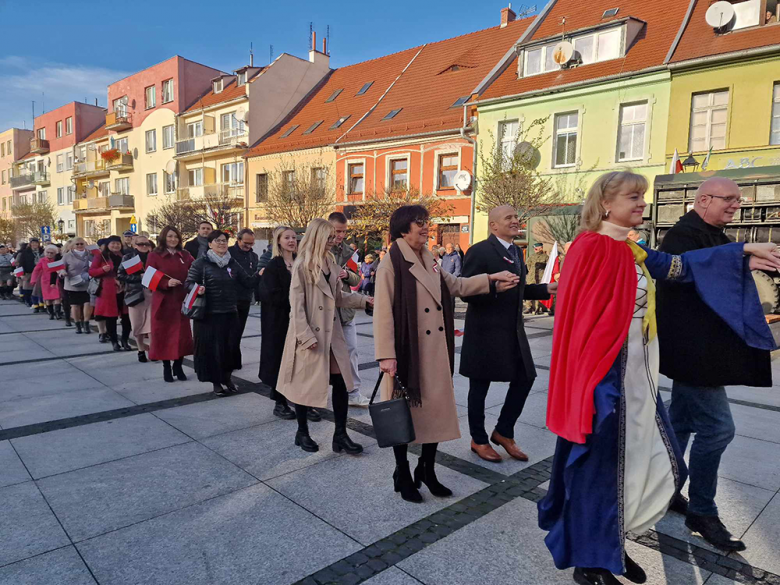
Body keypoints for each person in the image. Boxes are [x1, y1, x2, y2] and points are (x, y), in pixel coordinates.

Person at [537, 171, 779, 585]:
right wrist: (596, 388)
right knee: (599, 471)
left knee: (636, 466)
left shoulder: (629, 247)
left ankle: (611, 544)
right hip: (604, 381)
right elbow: (579, 326)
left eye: (642, 197)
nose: (641, 204)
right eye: (632, 197)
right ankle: (591, 563)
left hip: (633, 379)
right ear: (605, 203)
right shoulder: (592, 248)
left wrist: (742, 252)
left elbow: (680, 267)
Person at [657, 177, 773, 551]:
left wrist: (746, 259)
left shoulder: (715, 235)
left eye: (738, 200)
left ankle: (665, 487)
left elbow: (721, 274)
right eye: (730, 199)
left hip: (703, 353)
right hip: (694, 355)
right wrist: (740, 252)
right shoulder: (681, 235)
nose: (735, 206)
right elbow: (686, 270)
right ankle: (702, 510)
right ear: (704, 199)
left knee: (681, 424)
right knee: (719, 429)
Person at [374, 205, 519, 503]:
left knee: (436, 414)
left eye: (426, 222)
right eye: (420, 223)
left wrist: (491, 280)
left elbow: (456, 286)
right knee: (402, 416)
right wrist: (386, 355)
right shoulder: (392, 262)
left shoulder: (430, 258)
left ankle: (426, 469)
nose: (426, 228)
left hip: (435, 351)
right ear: (404, 228)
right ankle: (402, 472)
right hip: (407, 353)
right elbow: (383, 313)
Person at [460, 205, 556, 463]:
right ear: (493, 225)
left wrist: (548, 288)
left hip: (512, 332)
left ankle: (503, 431)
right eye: (509, 218)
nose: (516, 221)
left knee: (526, 378)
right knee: (479, 387)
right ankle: (478, 439)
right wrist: (494, 289)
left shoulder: (515, 251)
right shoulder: (479, 251)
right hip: (484, 333)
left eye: (516, 217)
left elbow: (519, 289)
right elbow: (464, 291)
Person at [277, 218, 373, 454]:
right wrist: (305, 336)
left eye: (335, 237)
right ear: (318, 236)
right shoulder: (302, 265)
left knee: (341, 383)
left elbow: (337, 297)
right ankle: (302, 432)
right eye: (330, 237)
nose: (334, 241)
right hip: (309, 335)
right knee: (304, 386)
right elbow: (296, 306)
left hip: (331, 333)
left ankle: (340, 434)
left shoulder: (330, 261)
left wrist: (364, 300)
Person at [187, 230, 260, 396]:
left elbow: (248, 282)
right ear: (210, 243)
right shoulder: (201, 263)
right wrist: (197, 289)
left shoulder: (232, 263)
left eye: (224, 241)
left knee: (229, 348)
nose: (221, 244)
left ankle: (227, 378)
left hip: (229, 312)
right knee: (211, 350)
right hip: (208, 315)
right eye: (218, 241)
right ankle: (215, 382)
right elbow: (188, 283)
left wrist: (261, 274)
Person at [328, 212, 370, 407]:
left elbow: (357, 279)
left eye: (344, 231)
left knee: (352, 350)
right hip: (324, 310)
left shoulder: (348, 252)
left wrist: (346, 274)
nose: (341, 235)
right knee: (321, 355)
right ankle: (313, 397)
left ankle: (353, 392)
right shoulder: (316, 251)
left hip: (345, 310)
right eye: (337, 231)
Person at [258, 226, 298, 420]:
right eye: (287, 237)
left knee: (300, 362)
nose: (291, 240)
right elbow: (269, 295)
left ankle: (302, 401)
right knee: (279, 361)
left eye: (293, 237)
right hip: (278, 321)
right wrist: (295, 299)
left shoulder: (300, 263)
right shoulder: (273, 266)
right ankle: (280, 402)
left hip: (299, 320)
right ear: (279, 241)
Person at [148, 226, 194, 382]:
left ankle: (179, 365)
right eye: (169, 236)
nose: (173, 239)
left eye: (175, 236)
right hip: (164, 302)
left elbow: (194, 270)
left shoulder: (186, 255)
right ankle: (166, 367)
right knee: (164, 336)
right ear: (163, 238)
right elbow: (148, 279)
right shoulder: (155, 255)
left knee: (182, 336)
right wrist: (166, 283)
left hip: (181, 300)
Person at [89, 236, 132, 352]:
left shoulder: (125, 256)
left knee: (127, 317)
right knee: (110, 317)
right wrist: (102, 270)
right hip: (108, 291)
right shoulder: (101, 256)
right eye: (112, 243)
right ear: (107, 245)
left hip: (124, 289)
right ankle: (114, 341)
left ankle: (125, 340)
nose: (115, 246)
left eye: (118, 243)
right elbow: (92, 272)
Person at [118, 235, 154, 363]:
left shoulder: (154, 256)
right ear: (135, 245)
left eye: (147, 244)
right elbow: (120, 275)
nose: (144, 246)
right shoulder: (128, 257)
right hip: (135, 293)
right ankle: (140, 349)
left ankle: (152, 350)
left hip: (152, 292)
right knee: (137, 323)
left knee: (151, 324)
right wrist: (139, 277)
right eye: (140, 244)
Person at [228, 228, 259, 341]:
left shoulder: (254, 256)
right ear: (238, 240)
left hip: (245, 298)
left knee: (238, 333)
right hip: (231, 298)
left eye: (251, 243)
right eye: (246, 243)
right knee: (229, 334)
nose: (249, 246)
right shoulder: (228, 252)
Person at [62, 237, 93, 334]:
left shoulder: (90, 254)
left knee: (88, 303)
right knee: (75, 306)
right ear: (73, 245)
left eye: (81, 244)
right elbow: (61, 267)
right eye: (77, 244)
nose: (79, 246)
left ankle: (86, 323)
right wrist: (62, 272)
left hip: (87, 283)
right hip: (72, 284)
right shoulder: (67, 256)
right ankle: (77, 324)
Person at [31, 244, 63, 320]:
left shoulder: (57, 260)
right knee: (48, 298)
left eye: (51, 253)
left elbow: (62, 268)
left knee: (57, 297)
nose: (49, 254)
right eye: (48, 252)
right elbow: (36, 270)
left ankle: (57, 313)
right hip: (45, 280)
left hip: (55, 280)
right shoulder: (42, 260)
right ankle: (51, 313)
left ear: (55, 253)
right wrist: (33, 280)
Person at [524, 242, 548, 314]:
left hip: (541, 277)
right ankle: (529, 307)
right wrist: (530, 273)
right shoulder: (531, 256)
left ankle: (538, 308)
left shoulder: (545, 257)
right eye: (534, 249)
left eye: (536, 248)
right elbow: (528, 265)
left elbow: (548, 267)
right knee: (529, 291)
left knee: (539, 292)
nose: (535, 250)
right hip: (531, 277)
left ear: (541, 248)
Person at [19, 238, 42, 310]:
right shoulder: (25, 252)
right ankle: (30, 302)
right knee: (29, 288)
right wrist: (21, 274)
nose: (35, 244)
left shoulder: (42, 251)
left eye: (36, 243)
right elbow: (21, 263)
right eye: (33, 243)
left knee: (39, 289)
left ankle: (40, 304)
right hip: (29, 272)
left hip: (40, 272)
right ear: (30, 244)